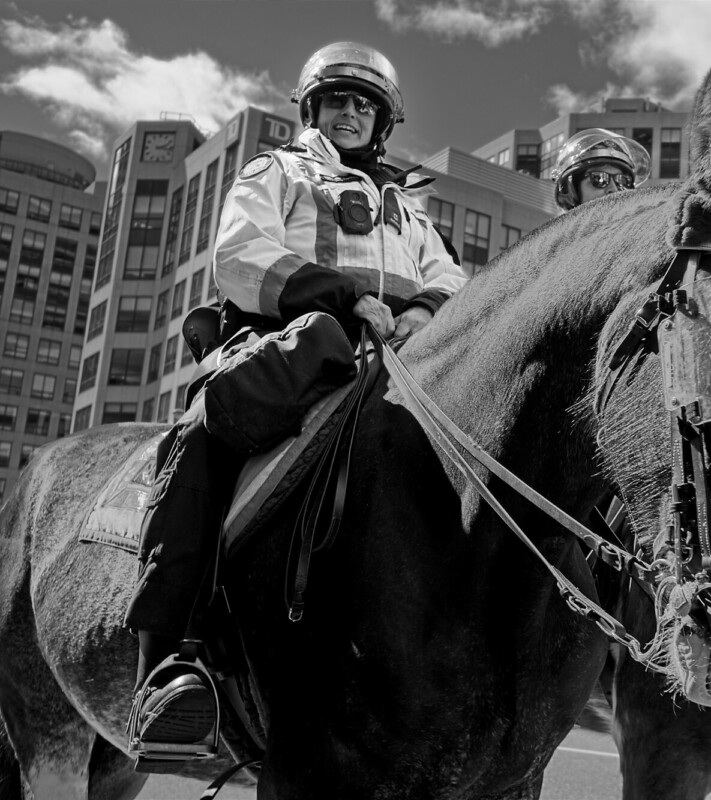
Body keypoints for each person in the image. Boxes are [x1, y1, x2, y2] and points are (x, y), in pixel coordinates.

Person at [124, 41, 466, 768]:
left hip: (401, 364)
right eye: (338, 99)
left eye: (364, 104)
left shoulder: (408, 206)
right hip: (285, 347)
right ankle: (167, 666)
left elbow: (452, 281)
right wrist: (347, 299)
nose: (350, 112)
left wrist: (423, 312)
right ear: (313, 108)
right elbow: (240, 256)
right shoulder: (275, 170)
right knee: (205, 433)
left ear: (382, 121)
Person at [550, 128, 651, 211]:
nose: (614, 190)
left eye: (622, 181)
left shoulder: (649, 232)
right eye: (599, 179)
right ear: (571, 191)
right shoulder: (553, 235)